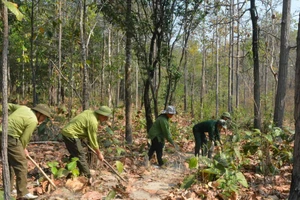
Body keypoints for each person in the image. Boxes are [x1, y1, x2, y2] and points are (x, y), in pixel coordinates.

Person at [0, 103, 51, 199]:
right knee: (21, 164)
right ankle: (23, 192)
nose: (43, 120)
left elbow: (8, 105)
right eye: (44, 117)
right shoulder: (33, 121)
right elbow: (24, 138)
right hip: (11, 137)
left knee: (10, 162)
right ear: (39, 114)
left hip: (1, 132)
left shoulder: (24, 108)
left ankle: (8, 189)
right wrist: (23, 149)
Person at [61, 106, 112, 183]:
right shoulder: (93, 122)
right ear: (101, 114)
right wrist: (99, 153)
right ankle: (87, 177)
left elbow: (83, 122)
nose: (106, 119)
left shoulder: (89, 112)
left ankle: (67, 173)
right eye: (105, 117)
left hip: (68, 132)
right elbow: (93, 140)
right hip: (71, 135)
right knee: (80, 155)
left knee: (75, 154)